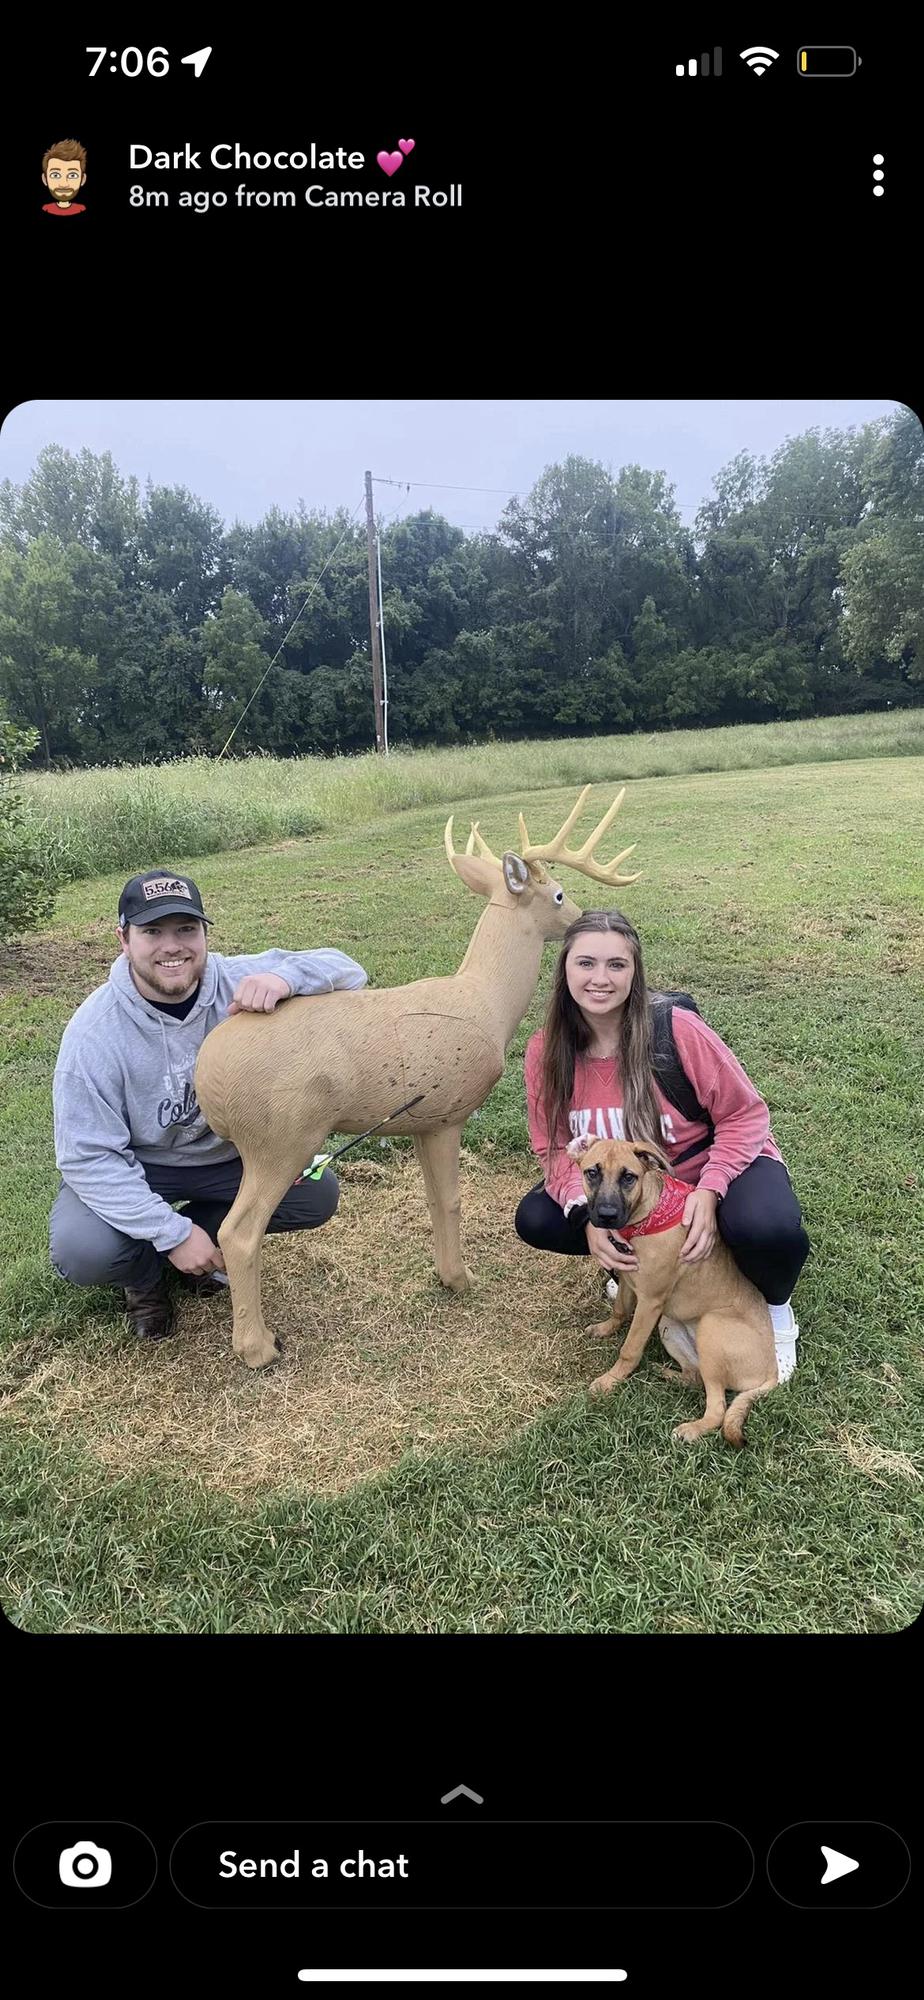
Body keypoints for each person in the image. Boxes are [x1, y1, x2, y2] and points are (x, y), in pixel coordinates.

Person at [50, 870, 368, 1341]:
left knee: (315, 1194)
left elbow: (348, 969)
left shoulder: (234, 978)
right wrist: (172, 1234)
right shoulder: (94, 1034)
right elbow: (87, 1157)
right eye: (152, 931)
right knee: (84, 1249)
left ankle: (210, 1241)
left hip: (227, 1156)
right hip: (144, 1164)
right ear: (123, 939)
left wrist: (283, 978)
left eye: (186, 929)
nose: (172, 947)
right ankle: (146, 1279)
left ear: (203, 934)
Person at [515, 910, 810, 1380]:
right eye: (585, 963)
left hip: (715, 1164)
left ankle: (774, 1310)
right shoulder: (546, 1051)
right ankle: (639, 1269)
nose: (600, 979)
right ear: (564, 969)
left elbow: (745, 1114)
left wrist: (710, 1190)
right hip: (636, 1189)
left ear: (635, 973)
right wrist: (584, 1217)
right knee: (538, 1218)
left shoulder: (676, 1031)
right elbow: (551, 1147)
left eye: (617, 965)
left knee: (766, 1227)